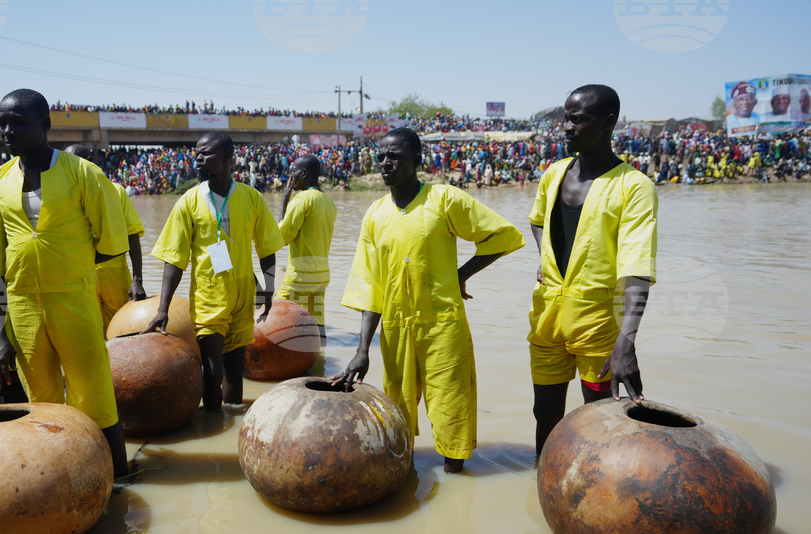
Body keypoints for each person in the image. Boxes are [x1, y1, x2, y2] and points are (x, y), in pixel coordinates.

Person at [332, 127, 525, 473]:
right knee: (395, 418)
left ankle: (455, 486)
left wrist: (460, 274)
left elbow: (500, 236)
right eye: (382, 155)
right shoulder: (374, 215)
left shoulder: (444, 199)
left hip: (443, 326)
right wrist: (362, 350)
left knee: (451, 411)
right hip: (395, 329)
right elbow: (369, 286)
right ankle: (403, 477)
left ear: (417, 159)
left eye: (395, 156)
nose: (385, 162)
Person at [0, 89, 130, 477]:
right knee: (40, 403)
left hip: (75, 301)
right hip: (22, 306)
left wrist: (67, 268)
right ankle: (62, 480)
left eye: (18, 122)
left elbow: (111, 244)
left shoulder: (83, 174)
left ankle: (120, 479)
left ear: (45, 124)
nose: (8, 131)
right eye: (2, 124)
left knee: (95, 395)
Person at [528, 84, 658, 456]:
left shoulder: (634, 186)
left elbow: (637, 270)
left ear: (608, 122)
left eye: (578, 119)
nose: (567, 127)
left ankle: (595, 499)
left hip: (599, 321)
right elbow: (538, 221)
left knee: (602, 419)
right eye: (566, 118)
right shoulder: (553, 174)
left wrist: (626, 343)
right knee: (545, 412)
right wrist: (545, 256)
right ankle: (544, 483)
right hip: (547, 314)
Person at [146, 132, 284, 410]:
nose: (198, 159)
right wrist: (163, 308)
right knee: (212, 372)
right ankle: (211, 420)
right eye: (196, 153)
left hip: (243, 293)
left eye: (205, 153)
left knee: (235, 372)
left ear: (227, 158)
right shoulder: (189, 201)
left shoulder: (251, 197)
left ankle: (230, 430)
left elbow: (267, 247)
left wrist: (268, 288)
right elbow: (174, 258)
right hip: (209, 294)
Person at [64, 144, 147, 333]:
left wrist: (137, 280)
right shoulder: (64, 196)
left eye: (74, 163)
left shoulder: (116, 191)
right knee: (87, 336)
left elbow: (132, 235)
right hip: (81, 277)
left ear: (90, 163)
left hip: (115, 275)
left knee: (121, 332)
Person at [277, 155, 336, 342]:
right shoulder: (327, 201)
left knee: (277, 317)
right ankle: (321, 363)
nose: (290, 175)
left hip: (301, 275)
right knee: (317, 324)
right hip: (321, 274)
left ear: (303, 173)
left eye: (293, 170)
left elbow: (282, 237)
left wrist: (284, 200)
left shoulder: (302, 199)